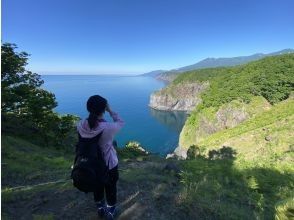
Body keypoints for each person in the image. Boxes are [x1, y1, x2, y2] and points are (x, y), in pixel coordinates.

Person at [77, 95, 124, 219]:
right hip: (108, 164)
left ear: (88, 108)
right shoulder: (107, 128)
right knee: (111, 188)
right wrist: (110, 110)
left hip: (89, 163)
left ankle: (100, 208)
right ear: (103, 109)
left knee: (97, 186)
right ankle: (111, 211)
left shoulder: (80, 124)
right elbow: (120, 123)